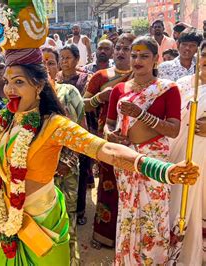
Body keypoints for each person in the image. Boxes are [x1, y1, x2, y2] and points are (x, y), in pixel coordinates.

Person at [0, 36, 198, 266]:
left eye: (19, 82)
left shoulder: (54, 125)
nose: (9, 89)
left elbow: (106, 150)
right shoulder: (6, 120)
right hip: (9, 224)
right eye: (9, 81)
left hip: (42, 225)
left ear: (39, 86)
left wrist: (164, 170)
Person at [105, 36, 182, 264]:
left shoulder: (168, 90)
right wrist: (110, 135)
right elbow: (109, 124)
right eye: (134, 55)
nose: (137, 60)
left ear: (156, 59)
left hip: (154, 164)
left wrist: (141, 114)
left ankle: (153, 260)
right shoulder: (119, 89)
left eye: (144, 56)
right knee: (128, 213)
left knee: (153, 215)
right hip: (127, 160)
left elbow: (174, 130)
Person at [83, 33, 135, 249]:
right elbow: (83, 105)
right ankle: (104, 235)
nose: (122, 52)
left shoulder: (142, 78)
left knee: (132, 189)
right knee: (108, 185)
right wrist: (100, 98)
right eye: (119, 48)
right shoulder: (101, 76)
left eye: (127, 48)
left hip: (134, 140)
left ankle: (130, 238)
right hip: (108, 135)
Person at [43, 46, 84, 265]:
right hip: (39, 173)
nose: (45, 67)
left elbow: (81, 132)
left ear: (58, 65)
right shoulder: (28, 98)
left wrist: (67, 162)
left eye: (50, 62)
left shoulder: (69, 92)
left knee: (68, 220)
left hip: (66, 169)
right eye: (41, 63)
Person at [168, 40, 206, 265]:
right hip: (179, 156)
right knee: (178, 204)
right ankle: (177, 256)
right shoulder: (182, 85)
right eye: (204, 55)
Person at [56, 43, 93, 225]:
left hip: (79, 126)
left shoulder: (84, 79)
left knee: (80, 172)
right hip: (59, 139)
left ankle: (79, 210)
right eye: (61, 57)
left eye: (68, 57)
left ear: (77, 59)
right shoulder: (54, 79)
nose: (64, 61)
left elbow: (86, 104)